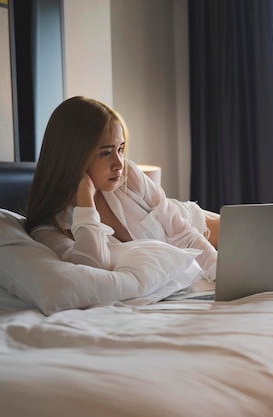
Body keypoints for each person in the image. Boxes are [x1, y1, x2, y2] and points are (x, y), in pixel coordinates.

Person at [24, 96, 218, 291]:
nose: (119, 164)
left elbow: (183, 233)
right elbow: (93, 270)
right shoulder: (51, 229)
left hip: (186, 219)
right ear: (73, 157)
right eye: (106, 153)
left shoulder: (128, 174)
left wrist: (220, 274)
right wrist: (85, 202)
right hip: (176, 240)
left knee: (246, 228)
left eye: (120, 149)